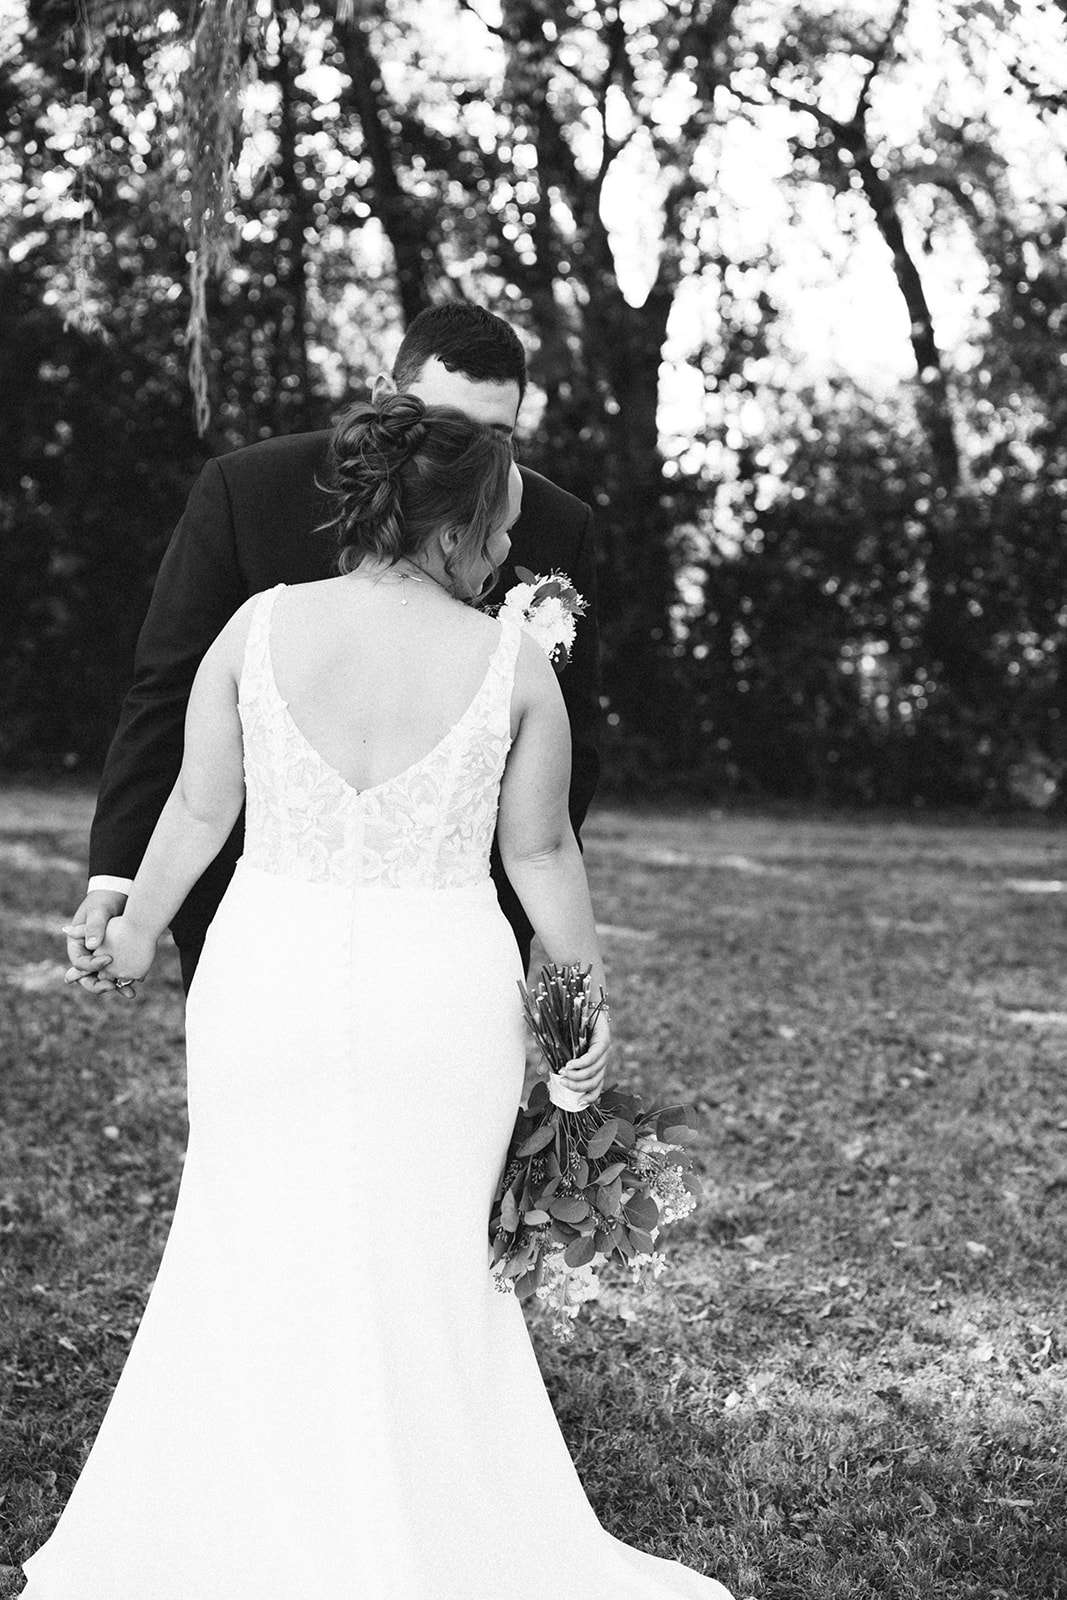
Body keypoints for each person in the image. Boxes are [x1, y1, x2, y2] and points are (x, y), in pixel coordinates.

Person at [26, 395, 735, 1600]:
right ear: (453, 524)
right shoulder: (510, 662)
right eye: (501, 529)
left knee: (242, 1236)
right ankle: (430, 1522)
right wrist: (579, 1011)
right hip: (437, 993)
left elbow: (198, 811)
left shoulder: (256, 628)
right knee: (425, 1258)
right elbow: (544, 858)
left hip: (265, 979)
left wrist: (138, 930)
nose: (511, 553)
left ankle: (225, 1520)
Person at [64, 301, 601, 994]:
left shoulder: (554, 523)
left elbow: (570, 746)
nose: (469, 460)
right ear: (387, 399)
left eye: (496, 436)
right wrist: (121, 883)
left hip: (453, 928)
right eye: (448, 426)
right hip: (255, 906)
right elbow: (166, 694)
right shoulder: (249, 491)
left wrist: (519, 915)